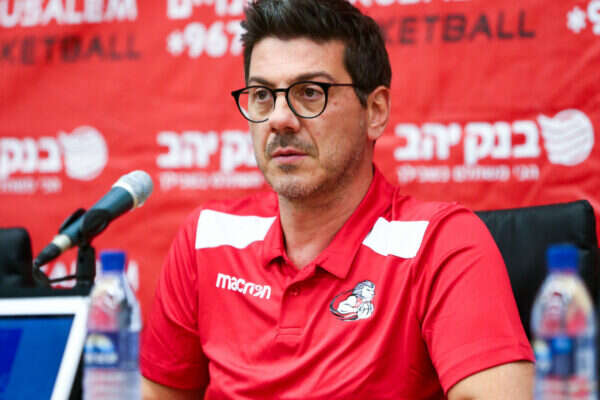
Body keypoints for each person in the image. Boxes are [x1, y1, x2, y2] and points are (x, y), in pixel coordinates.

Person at [140, 0, 535, 398]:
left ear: (375, 111)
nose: (279, 118)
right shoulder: (207, 238)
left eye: (310, 93)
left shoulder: (440, 244)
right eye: (262, 94)